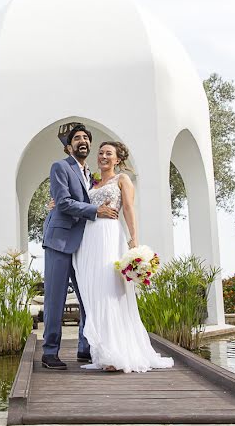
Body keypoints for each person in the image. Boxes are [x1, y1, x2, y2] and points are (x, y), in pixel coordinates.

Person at [71, 142, 174, 373]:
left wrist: (133, 240)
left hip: (109, 236)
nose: (103, 156)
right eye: (101, 153)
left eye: (109, 153)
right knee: (94, 293)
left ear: (117, 159)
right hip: (89, 239)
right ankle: (102, 352)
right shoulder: (92, 183)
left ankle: (116, 352)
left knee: (110, 290)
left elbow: (128, 208)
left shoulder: (122, 180)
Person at [41, 124, 119, 370]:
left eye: (86, 137)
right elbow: (63, 202)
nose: (82, 141)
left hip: (85, 244)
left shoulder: (91, 177)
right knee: (56, 298)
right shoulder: (60, 167)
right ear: (68, 146)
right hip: (60, 241)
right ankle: (50, 352)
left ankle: (85, 348)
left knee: (88, 294)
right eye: (77, 138)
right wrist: (96, 210)